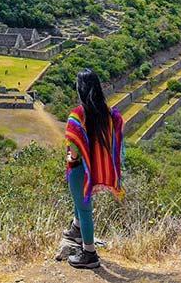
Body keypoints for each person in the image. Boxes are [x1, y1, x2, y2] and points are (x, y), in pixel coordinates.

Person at [63, 68, 125, 269]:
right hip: (94, 168)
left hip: (79, 167)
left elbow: (73, 149)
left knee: (84, 207)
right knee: (80, 201)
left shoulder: (78, 114)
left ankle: (89, 253)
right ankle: (76, 227)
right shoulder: (107, 113)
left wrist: (70, 156)